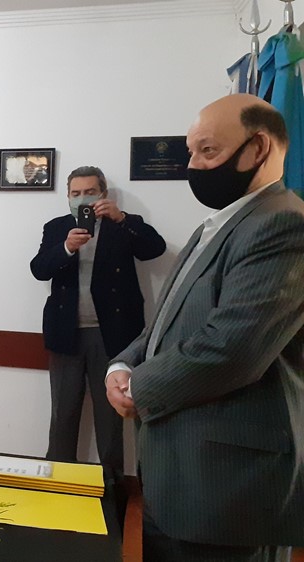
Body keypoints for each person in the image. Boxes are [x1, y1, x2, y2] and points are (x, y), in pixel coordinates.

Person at [106, 94, 304, 561]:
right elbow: (168, 322)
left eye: (208, 151)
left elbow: (232, 348)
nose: (192, 165)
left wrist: (140, 385)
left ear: (258, 148)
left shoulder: (283, 224)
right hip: (176, 476)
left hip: (227, 489)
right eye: (190, 152)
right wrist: (123, 364)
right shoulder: (215, 226)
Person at [30, 166, 165, 475]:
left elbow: (154, 249)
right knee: (62, 415)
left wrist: (122, 218)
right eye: (75, 193)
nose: (83, 199)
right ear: (67, 197)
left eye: (90, 192)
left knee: (110, 419)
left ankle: (110, 490)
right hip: (66, 334)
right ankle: (58, 483)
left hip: (113, 336)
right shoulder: (57, 227)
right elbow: (39, 269)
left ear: (103, 194)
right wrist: (66, 248)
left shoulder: (123, 223)